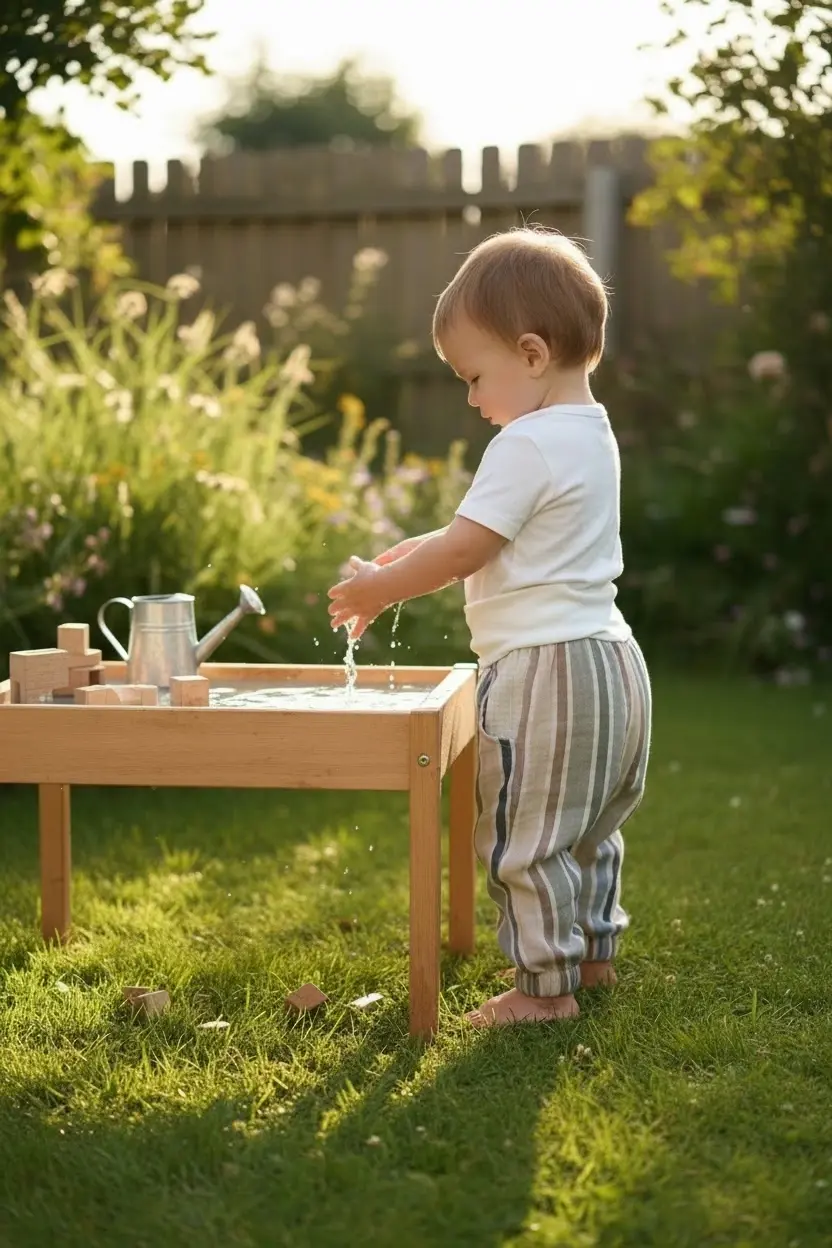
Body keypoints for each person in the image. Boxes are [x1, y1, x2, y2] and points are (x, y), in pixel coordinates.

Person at [327, 227, 652, 1027]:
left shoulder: (524, 441)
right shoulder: (589, 432)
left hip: (543, 672)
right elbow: (489, 537)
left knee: (525, 836)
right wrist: (415, 553)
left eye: (475, 376)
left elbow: (467, 547)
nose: (472, 398)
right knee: (588, 824)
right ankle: (594, 953)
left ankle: (545, 992)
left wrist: (376, 589)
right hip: (612, 660)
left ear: (532, 354)